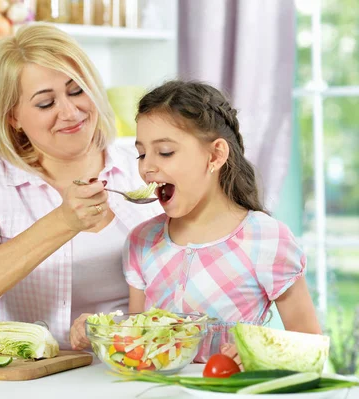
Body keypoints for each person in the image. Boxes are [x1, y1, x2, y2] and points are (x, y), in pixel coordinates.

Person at [0, 23, 159, 350]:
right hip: (37, 378)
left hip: (138, 365)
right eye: (45, 103)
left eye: (77, 91)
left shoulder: (140, 168)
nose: (70, 113)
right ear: (13, 116)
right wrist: (62, 223)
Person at [72, 80, 321, 360]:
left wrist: (258, 351)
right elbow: (138, 342)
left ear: (215, 155)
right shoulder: (142, 241)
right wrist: (100, 329)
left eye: (165, 151)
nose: (147, 167)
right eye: (142, 153)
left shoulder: (266, 239)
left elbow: (310, 345)